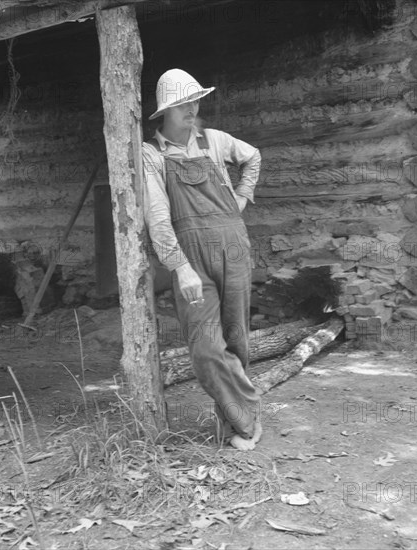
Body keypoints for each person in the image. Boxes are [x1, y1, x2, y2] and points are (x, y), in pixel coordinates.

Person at [142, 69, 262, 450]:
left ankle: (234, 425)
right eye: (182, 104)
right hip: (192, 258)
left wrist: (242, 198)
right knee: (206, 348)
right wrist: (179, 267)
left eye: (194, 101)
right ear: (165, 112)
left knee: (237, 339)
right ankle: (249, 411)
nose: (191, 109)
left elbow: (253, 157)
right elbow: (158, 217)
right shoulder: (151, 154)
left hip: (234, 247)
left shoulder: (214, 141)